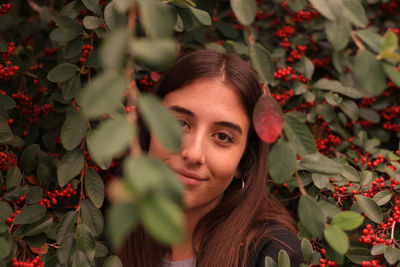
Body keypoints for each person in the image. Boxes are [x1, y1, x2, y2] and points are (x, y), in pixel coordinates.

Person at [118, 49, 303, 267]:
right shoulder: (107, 232)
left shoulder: (272, 253)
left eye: (223, 137)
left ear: (243, 163)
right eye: (180, 123)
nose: (194, 153)